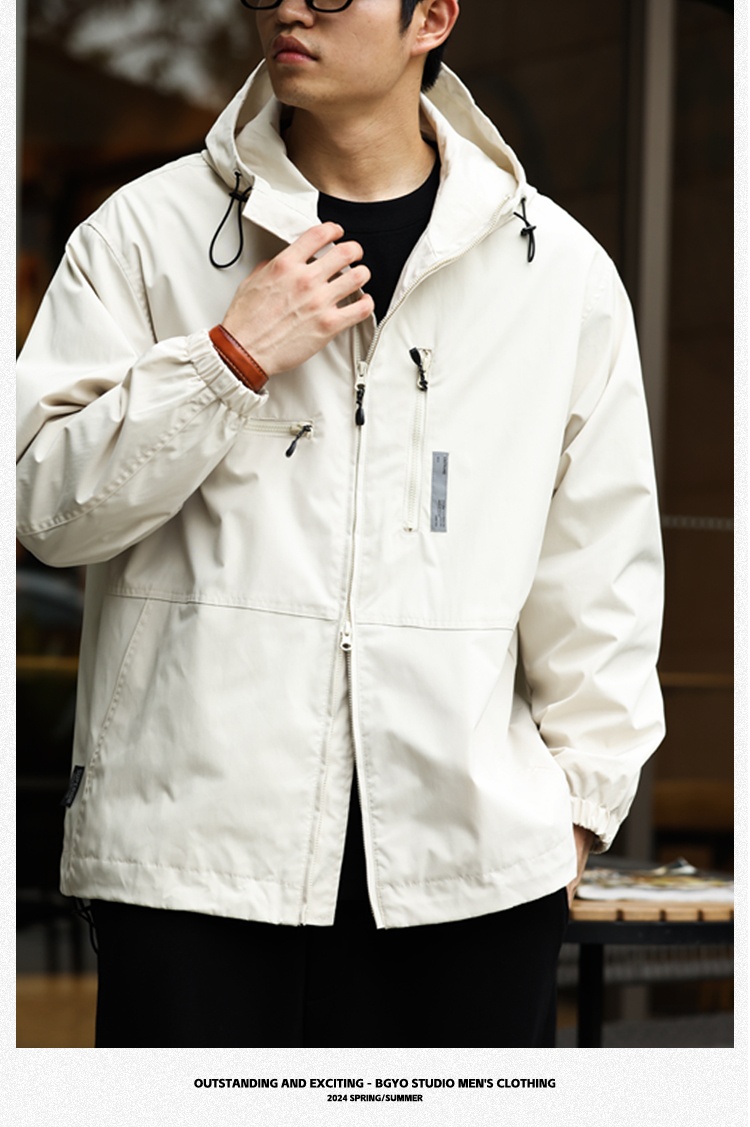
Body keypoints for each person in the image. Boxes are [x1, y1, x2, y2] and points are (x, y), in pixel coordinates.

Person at [16, 0, 665, 1048]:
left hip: (471, 876)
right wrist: (227, 360)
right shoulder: (144, 233)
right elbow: (44, 506)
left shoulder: (559, 274)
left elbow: (601, 571)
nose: (290, 4)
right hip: (193, 863)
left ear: (432, 17)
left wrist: (576, 814)